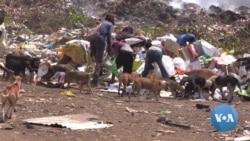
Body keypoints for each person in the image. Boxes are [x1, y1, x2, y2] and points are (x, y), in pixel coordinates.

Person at [88, 14, 115, 87]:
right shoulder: (110, 24)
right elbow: (109, 37)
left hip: (93, 39)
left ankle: (97, 76)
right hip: (100, 39)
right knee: (99, 61)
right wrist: (109, 48)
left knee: (97, 60)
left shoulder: (101, 23)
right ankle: (95, 80)